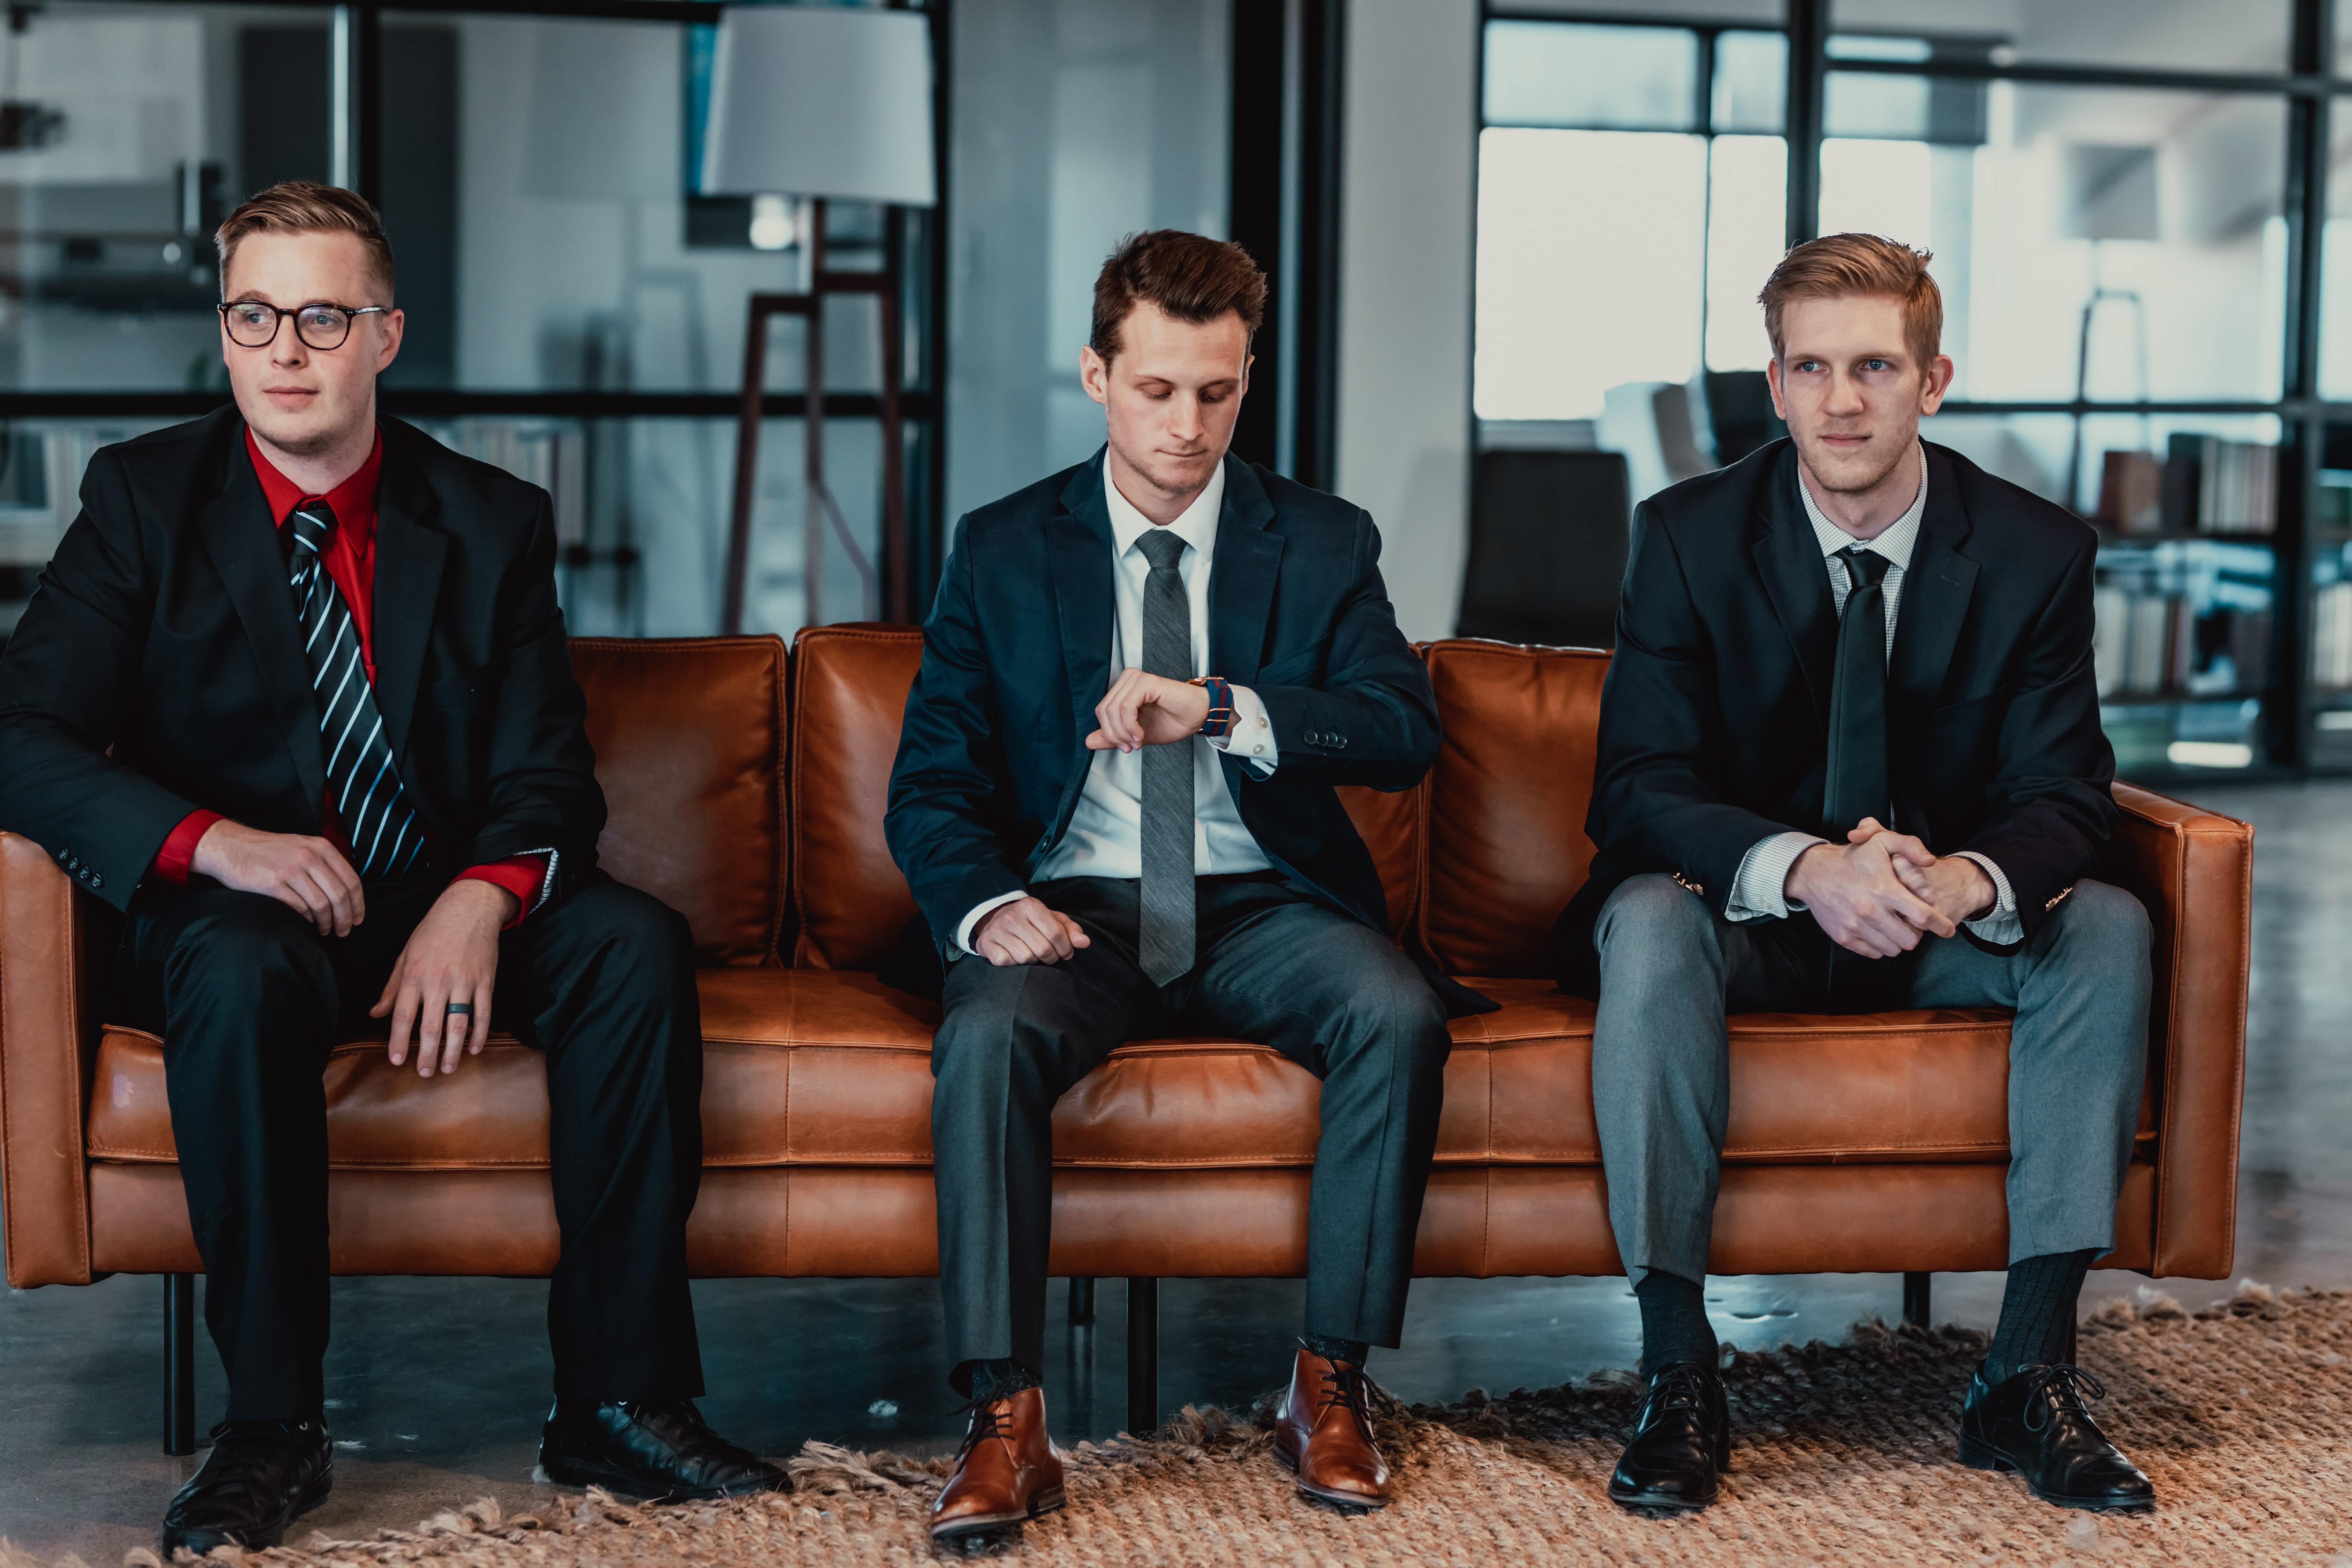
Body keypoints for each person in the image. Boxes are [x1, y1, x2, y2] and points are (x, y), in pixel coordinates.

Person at [0, 181, 783, 1557]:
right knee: (238, 971)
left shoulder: (491, 520)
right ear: (226, 329)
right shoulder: (143, 498)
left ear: (386, 335)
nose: (285, 348)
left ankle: (618, 1399)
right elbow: (17, 731)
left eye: (322, 315)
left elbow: (550, 774)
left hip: (434, 887)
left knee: (632, 946)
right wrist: (210, 843)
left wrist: (482, 902)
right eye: (254, 314)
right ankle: (271, 1425)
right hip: (236, 906)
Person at [885, 229, 1488, 1541]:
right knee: (984, 1036)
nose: (1189, 424)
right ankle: (1007, 1421)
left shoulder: (1323, 542)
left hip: (1260, 900)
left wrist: (1221, 708)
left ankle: (1331, 1383)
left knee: (1395, 1014)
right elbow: (930, 785)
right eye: (1158, 390)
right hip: (1079, 904)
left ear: (1247, 377)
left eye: (1218, 392)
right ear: (1098, 376)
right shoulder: (1001, 549)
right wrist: (993, 906)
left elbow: (1401, 731)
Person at [1552, 234, 2154, 1516]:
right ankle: (1677, 1373)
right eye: (1810, 367)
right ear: (1772, 386)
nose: (1841, 400)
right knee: (1648, 925)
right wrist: (1808, 866)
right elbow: (1640, 788)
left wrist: (1973, 881)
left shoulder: (2037, 551)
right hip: (1752, 919)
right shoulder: (1686, 538)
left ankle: (2027, 1373)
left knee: (2101, 925)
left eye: (1875, 365)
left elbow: (2065, 792)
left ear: (1934, 380)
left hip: (1937, 917)